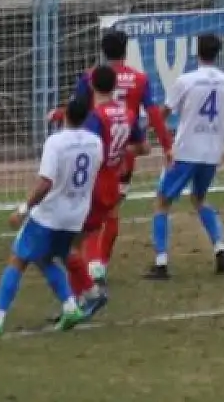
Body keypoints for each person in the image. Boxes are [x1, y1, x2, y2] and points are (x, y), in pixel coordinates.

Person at [0, 95, 103, 336]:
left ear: (65, 114)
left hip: (50, 214)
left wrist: (22, 210)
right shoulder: (96, 143)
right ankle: (70, 306)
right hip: (76, 216)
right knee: (46, 259)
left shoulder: (55, 143)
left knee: (18, 259)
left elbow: (46, 183)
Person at [50, 28, 171, 272]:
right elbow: (154, 114)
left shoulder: (90, 77)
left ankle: (90, 264)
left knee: (89, 214)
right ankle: (101, 262)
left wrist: (57, 114)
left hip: (95, 152)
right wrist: (167, 146)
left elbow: (78, 109)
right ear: (126, 50)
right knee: (113, 211)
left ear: (103, 51)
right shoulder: (139, 79)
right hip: (124, 153)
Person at [147, 33, 224, 280]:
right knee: (199, 200)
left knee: (162, 202)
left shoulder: (186, 81)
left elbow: (164, 113)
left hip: (186, 151)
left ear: (197, 52)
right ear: (217, 53)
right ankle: (220, 248)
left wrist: (147, 134)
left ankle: (161, 262)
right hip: (211, 152)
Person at [65, 65, 140, 318]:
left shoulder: (96, 117)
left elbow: (86, 149)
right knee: (88, 235)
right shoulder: (128, 113)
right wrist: (117, 153)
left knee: (70, 244)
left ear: (92, 86)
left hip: (94, 182)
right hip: (113, 180)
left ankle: (83, 297)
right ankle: (87, 287)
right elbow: (143, 147)